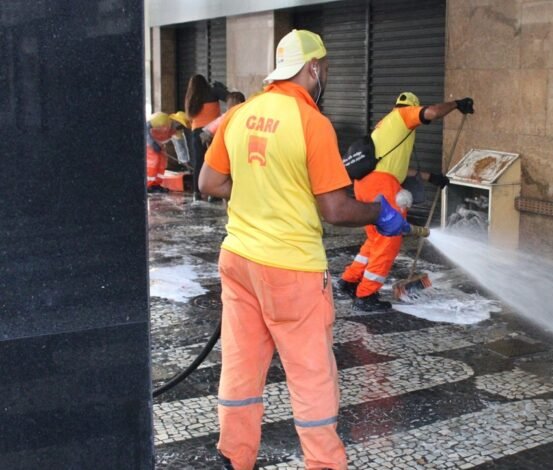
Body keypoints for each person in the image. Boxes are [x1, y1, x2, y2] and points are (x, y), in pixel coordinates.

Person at [198, 29, 409, 470]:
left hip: (239, 261)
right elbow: (334, 208)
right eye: (325, 67)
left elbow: (209, 183)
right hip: (291, 270)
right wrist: (379, 212)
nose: (325, 74)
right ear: (313, 68)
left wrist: (260, 189)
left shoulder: (242, 113)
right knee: (312, 376)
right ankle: (324, 464)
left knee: (240, 366)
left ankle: (233, 457)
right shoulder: (312, 123)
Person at [337, 91, 475, 311]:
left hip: (365, 184)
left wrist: (432, 177)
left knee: (374, 239)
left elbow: (399, 168)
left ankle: (349, 280)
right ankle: (365, 294)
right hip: (382, 187)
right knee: (388, 241)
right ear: (411, 106)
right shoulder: (402, 115)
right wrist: (457, 104)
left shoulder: (386, 126)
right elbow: (432, 112)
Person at [185, 73, 228, 201]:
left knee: (199, 162)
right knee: (214, 162)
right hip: (211, 132)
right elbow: (230, 98)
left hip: (196, 133)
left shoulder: (190, 97)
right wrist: (222, 88)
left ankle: (197, 193)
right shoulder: (212, 91)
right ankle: (214, 194)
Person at [145, 112, 187, 193]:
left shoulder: (176, 131)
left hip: (159, 145)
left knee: (162, 163)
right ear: (175, 121)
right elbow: (145, 129)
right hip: (149, 143)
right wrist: (152, 143)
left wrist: (184, 161)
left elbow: (180, 146)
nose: (179, 128)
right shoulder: (162, 119)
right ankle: (148, 185)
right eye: (179, 125)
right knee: (153, 162)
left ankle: (156, 184)